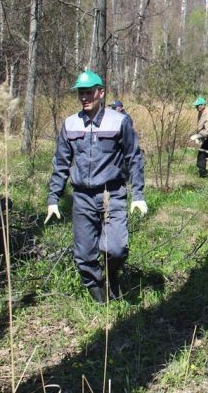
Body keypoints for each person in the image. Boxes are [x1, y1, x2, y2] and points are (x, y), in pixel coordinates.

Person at [45, 70, 147, 303]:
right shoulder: (70, 124)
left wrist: (138, 194)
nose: (85, 97)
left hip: (113, 194)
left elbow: (134, 157)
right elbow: (61, 163)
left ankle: (112, 276)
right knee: (83, 256)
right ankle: (101, 296)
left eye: (89, 92)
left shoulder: (119, 121)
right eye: (81, 93)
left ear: (100, 93)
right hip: (81, 197)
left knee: (117, 248)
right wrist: (53, 198)